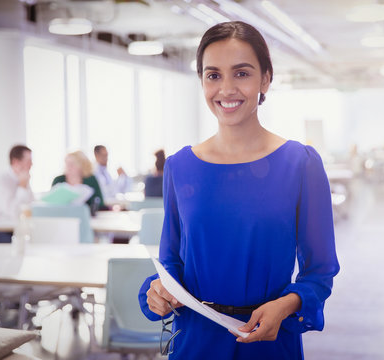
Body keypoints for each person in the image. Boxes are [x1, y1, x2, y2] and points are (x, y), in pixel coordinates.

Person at [138, 21, 339, 360]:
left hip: (268, 342)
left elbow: (320, 272)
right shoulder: (180, 165)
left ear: (266, 79)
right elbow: (171, 260)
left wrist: (287, 305)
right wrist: (157, 290)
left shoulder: (300, 163)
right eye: (213, 75)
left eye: (242, 73)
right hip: (196, 341)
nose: (226, 89)